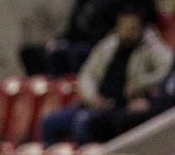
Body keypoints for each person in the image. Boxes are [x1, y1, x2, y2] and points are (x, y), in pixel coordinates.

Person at [40, 9, 172, 146]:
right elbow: (87, 74)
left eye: (133, 27)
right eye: (125, 27)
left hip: (119, 108)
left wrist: (140, 83)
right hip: (94, 103)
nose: (129, 32)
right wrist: (93, 97)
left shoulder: (150, 47)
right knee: (49, 123)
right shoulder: (108, 46)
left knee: (82, 122)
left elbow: (167, 68)